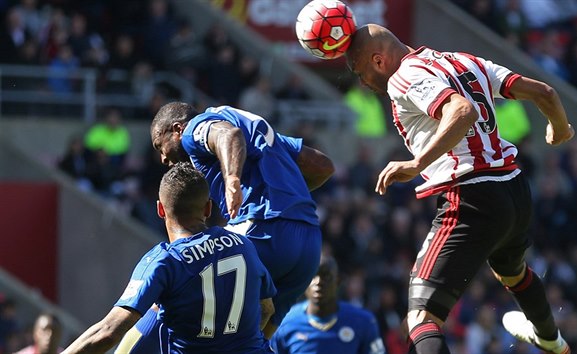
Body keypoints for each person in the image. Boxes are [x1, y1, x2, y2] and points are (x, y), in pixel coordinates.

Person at [345, 24, 575, 354]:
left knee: (421, 319)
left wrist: (416, 164)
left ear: (378, 60)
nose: (363, 83)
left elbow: (461, 111)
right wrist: (560, 127)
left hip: (470, 195)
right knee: (513, 273)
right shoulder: (465, 61)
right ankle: (553, 341)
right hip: (514, 189)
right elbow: (545, 93)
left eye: (360, 71)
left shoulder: (402, 77)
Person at [149, 102, 334, 339]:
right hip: (308, 243)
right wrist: (288, 198)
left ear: (176, 129)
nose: (163, 158)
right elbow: (322, 166)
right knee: (257, 338)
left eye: (159, 145)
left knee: (179, 282)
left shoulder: (195, 129)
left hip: (263, 229)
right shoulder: (263, 134)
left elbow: (229, 135)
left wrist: (232, 179)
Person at [62, 162, 276, 354]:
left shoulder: (165, 261)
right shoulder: (243, 245)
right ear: (208, 208)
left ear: (160, 210)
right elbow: (267, 309)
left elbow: (108, 332)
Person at [270, 255, 385, 354]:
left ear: (338, 281)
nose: (318, 282)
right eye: (312, 276)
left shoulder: (364, 321)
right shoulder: (285, 323)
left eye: (326, 276)